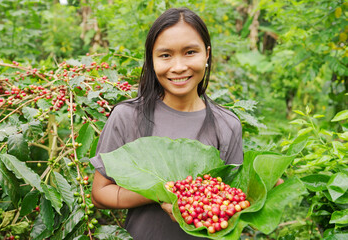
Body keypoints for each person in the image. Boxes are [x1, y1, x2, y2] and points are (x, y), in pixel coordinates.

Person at [90, 7, 243, 239]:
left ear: (207, 54)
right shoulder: (127, 116)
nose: (179, 66)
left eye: (190, 52)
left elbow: (232, 202)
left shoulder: (227, 124)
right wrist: (168, 191)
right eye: (165, 55)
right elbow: (100, 195)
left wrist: (260, 189)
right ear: (151, 59)